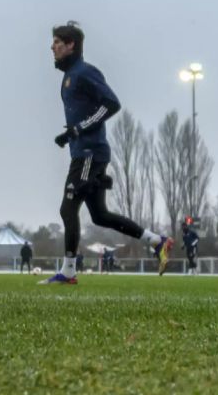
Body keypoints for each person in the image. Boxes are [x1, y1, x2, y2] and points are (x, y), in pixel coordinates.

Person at [42, 22, 171, 285]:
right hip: (85, 153)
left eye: (57, 42)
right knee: (99, 215)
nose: (52, 47)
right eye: (53, 42)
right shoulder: (68, 77)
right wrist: (71, 134)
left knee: (68, 208)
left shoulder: (84, 72)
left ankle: (68, 272)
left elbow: (111, 104)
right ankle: (157, 241)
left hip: (89, 154)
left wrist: (78, 129)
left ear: (71, 45)